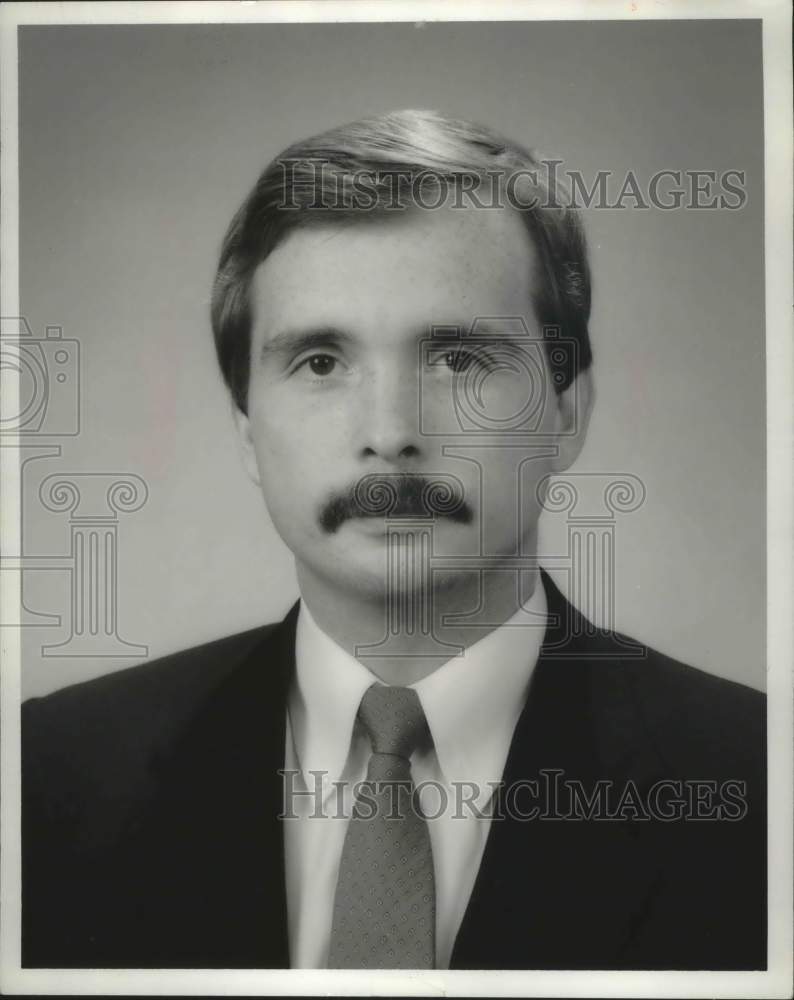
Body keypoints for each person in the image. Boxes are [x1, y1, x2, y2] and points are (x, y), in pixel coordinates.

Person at [21, 109, 765, 971]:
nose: (390, 434)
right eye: (321, 363)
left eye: (459, 359)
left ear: (566, 410)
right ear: (246, 430)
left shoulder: (760, 781)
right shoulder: (46, 774)